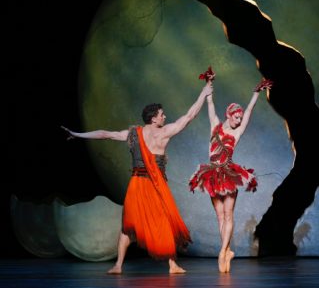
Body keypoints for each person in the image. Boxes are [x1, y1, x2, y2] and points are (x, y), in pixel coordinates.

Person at [62, 79, 213, 274]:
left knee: (129, 225)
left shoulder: (133, 134)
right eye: (161, 114)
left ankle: (120, 265)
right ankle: (171, 265)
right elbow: (189, 115)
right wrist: (203, 92)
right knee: (159, 222)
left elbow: (106, 134)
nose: (165, 116)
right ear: (153, 119)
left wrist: (78, 134)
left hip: (137, 183)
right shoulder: (164, 133)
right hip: (155, 184)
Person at [189, 74, 272, 273]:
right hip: (211, 174)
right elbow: (210, 103)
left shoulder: (237, 132)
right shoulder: (215, 126)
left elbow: (250, 110)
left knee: (228, 214)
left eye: (240, 118)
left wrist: (255, 94)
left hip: (228, 174)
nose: (239, 120)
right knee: (220, 216)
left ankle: (223, 251)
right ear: (229, 115)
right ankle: (226, 251)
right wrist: (209, 82)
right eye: (236, 117)